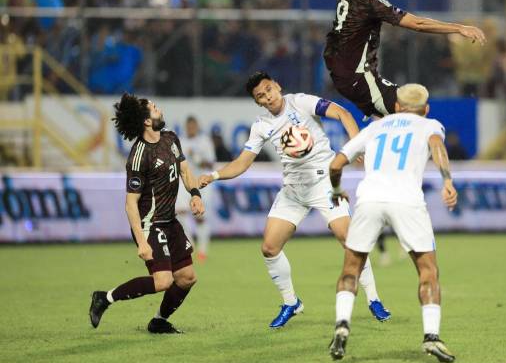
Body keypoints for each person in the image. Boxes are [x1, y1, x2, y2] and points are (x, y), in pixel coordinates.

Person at [199, 71, 390, 328]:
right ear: (258, 102)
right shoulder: (261, 126)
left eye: (268, 89)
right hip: (293, 190)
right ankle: (291, 303)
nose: (267, 96)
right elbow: (242, 163)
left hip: (324, 183)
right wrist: (213, 175)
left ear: (277, 86)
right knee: (269, 248)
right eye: (260, 96)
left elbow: (342, 113)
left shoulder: (301, 102)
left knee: (349, 241)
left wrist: (354, 146)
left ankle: (374, 299)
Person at [327, 84, 458, 363]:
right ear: (426, 109)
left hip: (369, 200)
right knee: (428, 271)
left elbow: (335, 165)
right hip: (407, 201)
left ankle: (341, 324)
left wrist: (337, 191)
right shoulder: (429, 125)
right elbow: (438, 147)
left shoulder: (375, 128)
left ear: (397, 106)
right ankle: (432, 337)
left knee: (351, 267)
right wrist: (447, 180)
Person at [293, 0, 486, 118]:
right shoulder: (374, 3)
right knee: (412, 110)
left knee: (388, 121)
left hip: (340, 74)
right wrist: (459, 28)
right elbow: (417, 23)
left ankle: (373, 150)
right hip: (359, 78)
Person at [89, 93, 205, 334]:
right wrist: (141, 242)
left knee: (187, 277)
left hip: (170, 222)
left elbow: (184, 169)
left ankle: (159, 321)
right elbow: (130, 203)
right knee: (164, 281)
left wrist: (195, 193)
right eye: (154, 108)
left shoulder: (171, 138)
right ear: (145, 120)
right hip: (150, 224)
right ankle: (104, 297)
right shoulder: (139, 155)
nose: (159, 109)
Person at [176, 115, 216, 263]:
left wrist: (197, 158)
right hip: (184, 182)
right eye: (188, 126)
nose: (191, 129)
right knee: (179, 213)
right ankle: (190, 245)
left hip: (201, 183)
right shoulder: (180, 141)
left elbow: (211, 164)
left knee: (200, 217)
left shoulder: (204, 142)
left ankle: (203, 250)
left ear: (197, 126)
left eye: (193, 126)